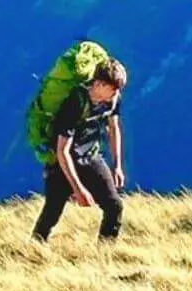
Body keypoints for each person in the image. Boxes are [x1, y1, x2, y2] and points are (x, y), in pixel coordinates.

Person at [33, 57, 128, 243]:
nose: (116, 93)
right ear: (99, 84)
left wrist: (117, 166)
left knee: (114, 206)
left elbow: (114, 127)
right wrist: (78, 189)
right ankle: (32, 251)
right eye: (113, 88)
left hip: (91, 157)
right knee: (52, 212)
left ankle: (105, 253)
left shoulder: (113, 100)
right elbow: (63, 151)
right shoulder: (75, 103)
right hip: (62, 164)